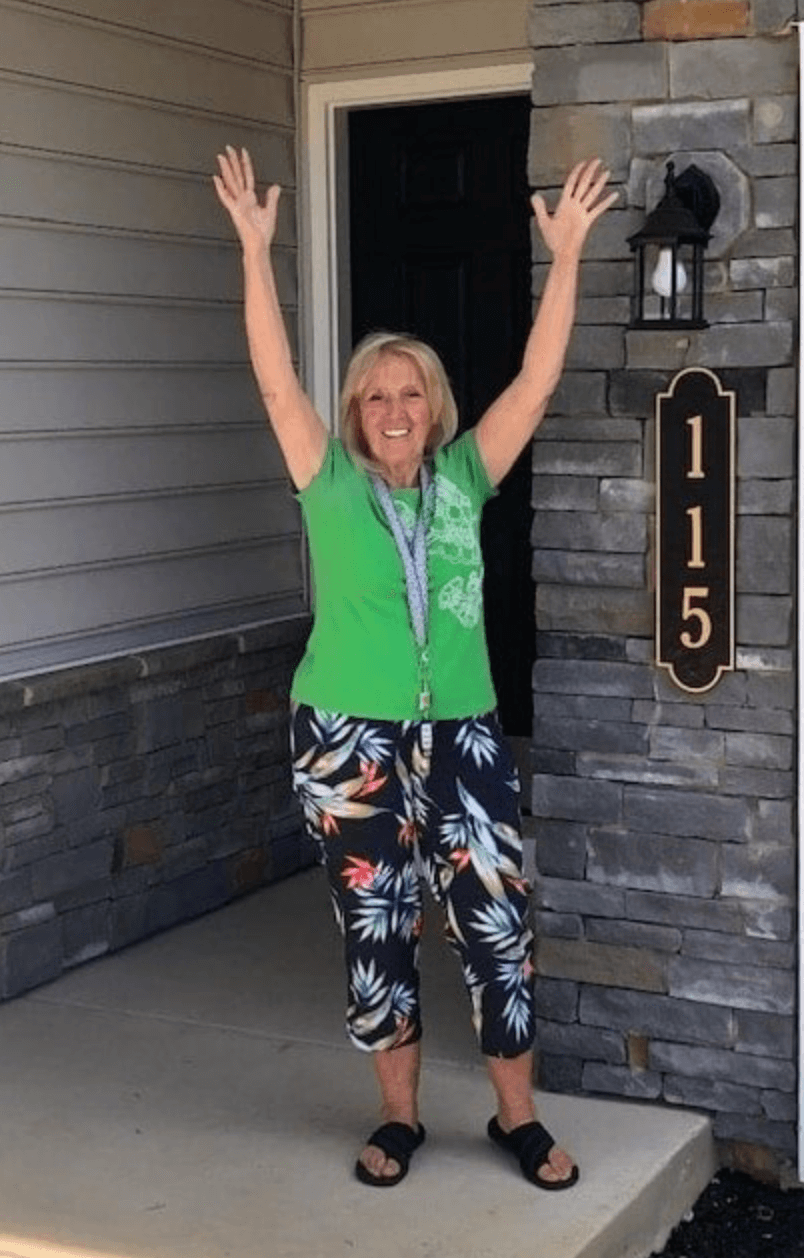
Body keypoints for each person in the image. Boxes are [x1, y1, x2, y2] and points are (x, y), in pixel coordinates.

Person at [213, 144, 616, 1190]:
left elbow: (537, 378)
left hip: (463, 732)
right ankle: (399, 1120)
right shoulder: (329, 483)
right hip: (346, 736)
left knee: (497, 920)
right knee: (378, 925)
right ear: (355, 410)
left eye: (410, 392)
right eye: (374, 394)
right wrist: (255, 252)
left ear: (433, 405)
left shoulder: (466, 477)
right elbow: (270, 375)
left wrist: (565, 258)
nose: (393, 407)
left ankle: (516, 1120)